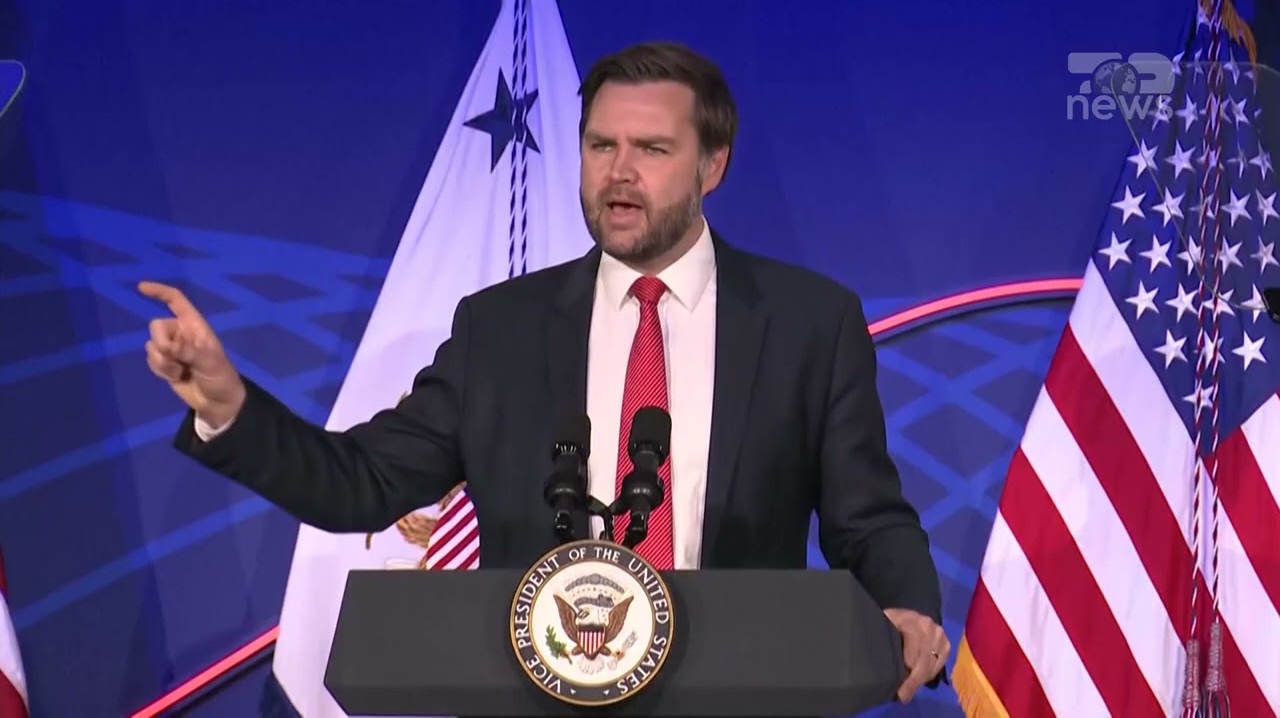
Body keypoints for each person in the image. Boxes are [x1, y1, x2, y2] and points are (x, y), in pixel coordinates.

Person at [140, 41, 949, 702]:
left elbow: (867, 516)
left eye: (651, 149)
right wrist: (231, 408)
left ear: (713, 167)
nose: (618, 172)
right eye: (601, 146)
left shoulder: (809, 323)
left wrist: (907, 606)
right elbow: (361, 483)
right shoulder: (501, 329)